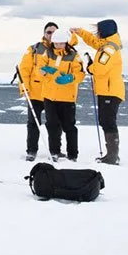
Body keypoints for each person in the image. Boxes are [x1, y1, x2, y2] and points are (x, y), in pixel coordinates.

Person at [71, 19, 125, 165]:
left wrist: (90, 67)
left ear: (104, 31)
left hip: (110, 91)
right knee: (106, 121)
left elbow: (100, 69)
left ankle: (112, 156)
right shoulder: (107, 44)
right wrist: (81, 32)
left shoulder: (108, 49)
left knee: (107, 122)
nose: (96, 33)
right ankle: (112, 155)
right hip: (108, 90)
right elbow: (94, 42)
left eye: (98, 30)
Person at [37, 28, 85, 162]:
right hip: (50, 96)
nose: (58, 45)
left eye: (61, 43)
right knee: (52, 125)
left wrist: (70, 78)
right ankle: (54, 152)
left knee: (69, 126)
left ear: (66, 42)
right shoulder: (47, 53)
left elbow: (81, 74)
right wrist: (44, 71)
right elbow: (39, 69)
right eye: (56, 43)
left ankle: (73, 154)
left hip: (67, 97)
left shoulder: (74, 56)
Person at [17, 22, 58, 161]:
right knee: (33, 123)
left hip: (53, 93)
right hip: (35, 93)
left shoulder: (62, 49)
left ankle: (55, 151)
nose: (51, 35)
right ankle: (31, 151)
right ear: (44, 33)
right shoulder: (34, 49)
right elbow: (24, 70)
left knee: (54, 124)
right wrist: (24, 88)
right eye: (49, 32)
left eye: (54, 32)